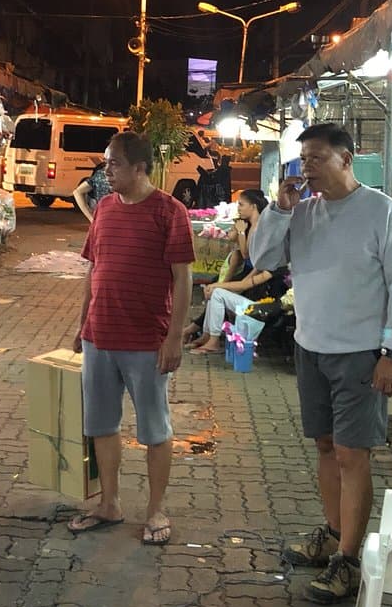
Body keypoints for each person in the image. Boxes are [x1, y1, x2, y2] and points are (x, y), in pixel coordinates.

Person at [252, 123, 392, 604]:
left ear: (347, 160)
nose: (306, 167)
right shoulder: (301, 212)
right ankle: (331, 532)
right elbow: (262, 258)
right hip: (312, 348)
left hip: (362, 354)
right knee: (326, 446)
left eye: (317, 157)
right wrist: (279, 210)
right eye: (303, 159)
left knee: (353, 454)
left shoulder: (383, 213)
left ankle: (348, 560)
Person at [69, 132, 194, 545]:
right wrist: (81, 323)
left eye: (114, 164)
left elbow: (182, 278)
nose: (107, 172)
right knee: (101, 424)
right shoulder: (104, 208)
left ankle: (156, 509)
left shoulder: (169, 212)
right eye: (107, 163)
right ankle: (110, 502)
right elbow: (93, 268)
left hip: (145, 341)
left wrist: (174, 337)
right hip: (99, 337)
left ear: (140, 168)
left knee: (155, 429)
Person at [184, 190, 284, 352]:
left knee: (216, 291)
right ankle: (207, 335)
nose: (238, 207)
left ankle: (211, 339)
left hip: (261, 304)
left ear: (254, 206)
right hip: (252, 288)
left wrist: (219, 286)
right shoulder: (262, 257)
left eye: (241, 204)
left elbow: (245, 261)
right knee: (214, 289)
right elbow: (239, 252)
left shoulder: (271, 261)